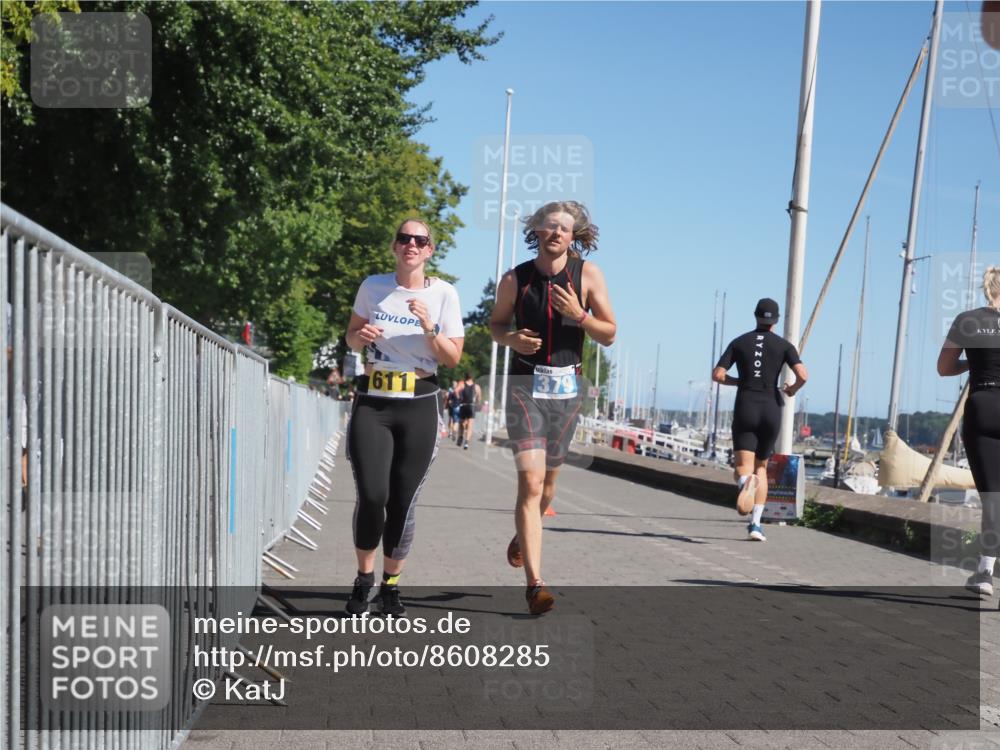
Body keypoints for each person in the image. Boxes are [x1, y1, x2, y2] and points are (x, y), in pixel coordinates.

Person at [490, 201, 616, 614]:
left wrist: (580, 315)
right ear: (537, 232)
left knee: (547, 489)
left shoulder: (588, 275)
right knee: (529, 484)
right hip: (524, 388)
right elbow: (495, 325)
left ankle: (524, 535)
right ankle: (536, 586)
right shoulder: (516, 278)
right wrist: (511, 341)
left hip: (568, 391)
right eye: (550, 226)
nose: (557, 233)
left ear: (575, 235)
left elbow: (610, 333)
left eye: (565, 228)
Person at [343, 219, 465, 616]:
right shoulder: (373, 286)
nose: (411, 245)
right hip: (374, 399)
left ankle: (391, 585)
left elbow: (452, 358)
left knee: (402, 501)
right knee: (373, 494)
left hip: (420, 401)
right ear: (394, 246)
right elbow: (350, 335)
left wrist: (429, 326)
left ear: (430, 250)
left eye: (420, 240)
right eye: (404, 238)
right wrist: (360, 339)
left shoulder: (445, 294)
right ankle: (363, 582)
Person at [712, 298, 808, 542]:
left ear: (755, 316)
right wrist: (793, 389)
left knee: (743, 468)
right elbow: (803, 375)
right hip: (771, 407)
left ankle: (745, 482)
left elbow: (718, 375)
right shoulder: (784, 345)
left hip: (746, 405)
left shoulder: (739, 342)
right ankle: (755, 525)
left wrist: (738, 381)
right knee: (762, 468)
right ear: (775, 321)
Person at [938, 266, 1000, 598]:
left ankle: (985, 572)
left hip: (982, 406)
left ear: (986, 289)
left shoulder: (968, 319)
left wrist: (972, 365)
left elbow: (944, 367)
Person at [455, 372, 481, 449]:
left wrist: (459, 398)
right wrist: (477, 403)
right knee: (470, 424)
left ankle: (460, 437)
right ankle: (466, 442)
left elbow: (456, 391)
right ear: (472, 378)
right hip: (471, 406)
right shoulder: (476, 386)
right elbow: (479, 398)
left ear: (465, 377)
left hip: (463, 405)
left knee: (461, 423)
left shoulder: (462, 384)